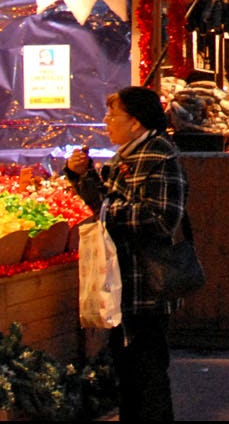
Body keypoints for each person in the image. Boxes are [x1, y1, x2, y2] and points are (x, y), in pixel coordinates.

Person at [66, 86, 189, 423]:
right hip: (123, 281)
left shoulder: (158, 155)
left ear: (134, 122)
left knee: (147, 373)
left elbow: (162, 218)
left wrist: (109, 212)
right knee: (128, 373)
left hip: (146, 283)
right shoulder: (127, 155)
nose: (106, 121)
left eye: (113, 115)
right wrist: (83, 175)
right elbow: (104, 201)